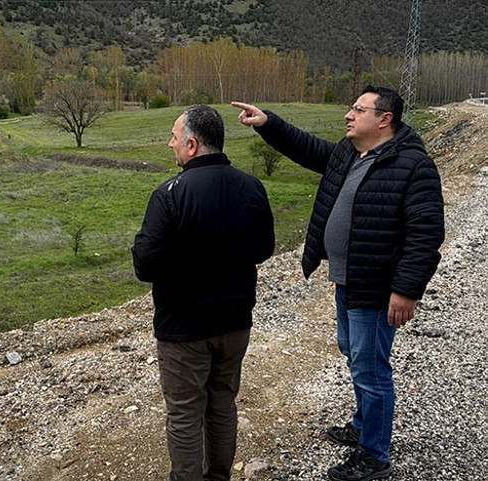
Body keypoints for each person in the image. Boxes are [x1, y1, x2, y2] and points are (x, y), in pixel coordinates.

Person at [232, 86, 444, 481]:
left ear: (384, 119)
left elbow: (426, 234)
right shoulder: (350, 154)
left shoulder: (414, 165)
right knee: (355, 355)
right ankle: (364, 426)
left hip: (377, 286)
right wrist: (268, 124)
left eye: (358, 109)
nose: (349, 115)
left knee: (371, 369)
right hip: (348, 280)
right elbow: (308, 149)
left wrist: (407, 290)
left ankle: (375, 456)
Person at [132, 105, 275, 481]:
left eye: (175, 138)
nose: (170, 144)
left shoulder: (170, 194)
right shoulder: (251, 186)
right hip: (234, 321)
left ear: (192, 145)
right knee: (223, 403)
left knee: (184, 411)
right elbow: (263, 250)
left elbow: (144, 265)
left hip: (183, 328)